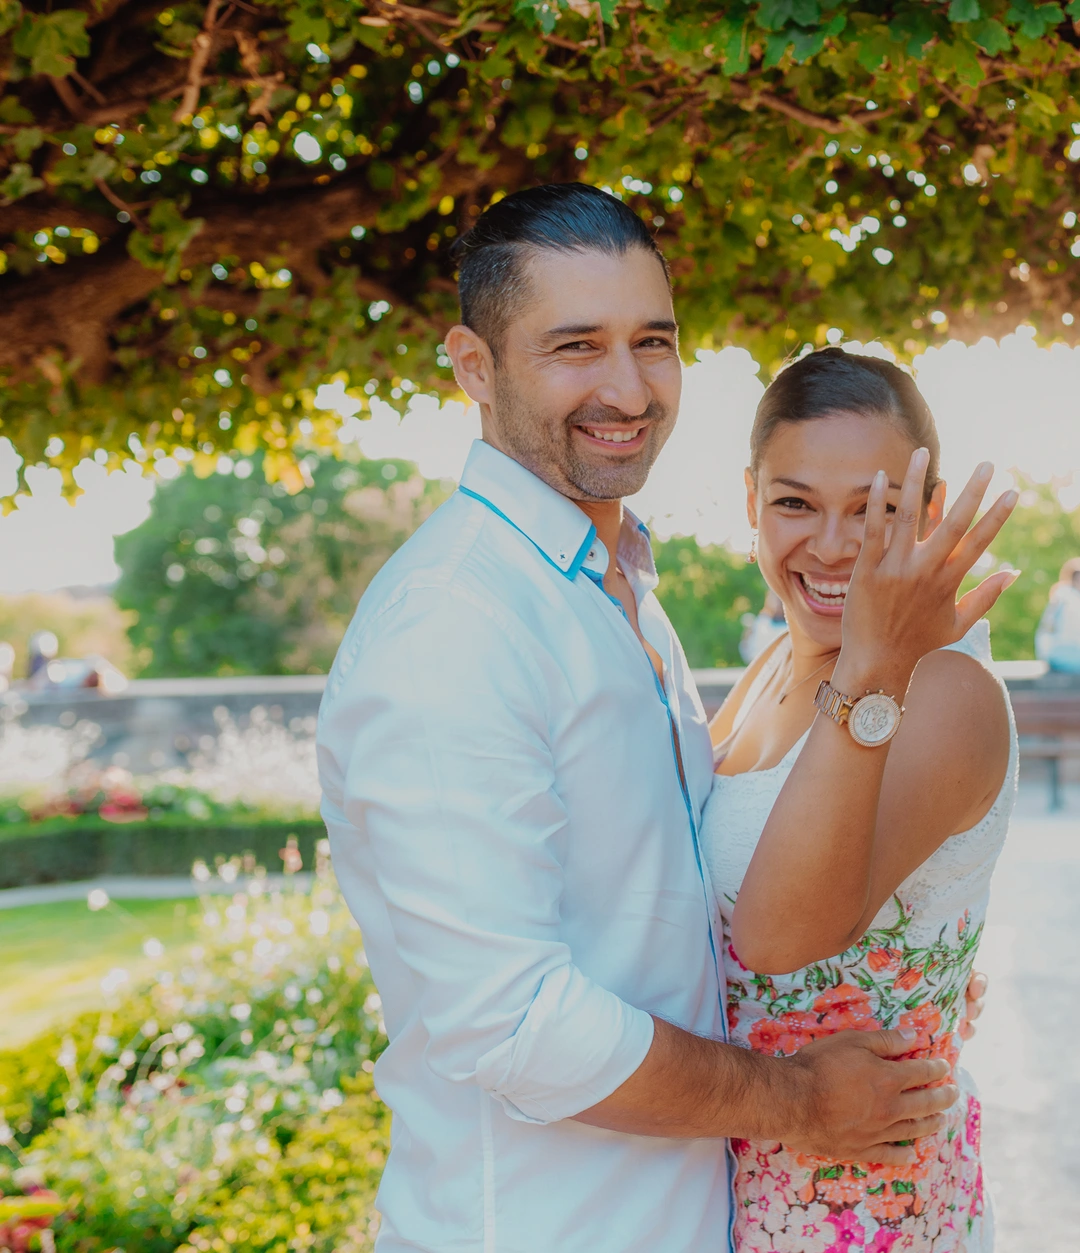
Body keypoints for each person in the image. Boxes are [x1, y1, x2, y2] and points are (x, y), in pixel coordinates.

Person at [316, 185, 994, 1252]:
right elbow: (516, 1020)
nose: (626, 388)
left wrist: (917, 962)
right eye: (575, 346)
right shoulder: (455, 624)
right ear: (473, 365)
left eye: (653, 341)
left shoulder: (617, 588)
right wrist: (799, 1098)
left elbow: (692, 884)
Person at [704, 348, 1019, 1249]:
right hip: (727, 1185)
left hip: (864, 1214)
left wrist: (874, 665)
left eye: (876, 510)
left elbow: (772, 936)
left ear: (930, 509)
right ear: (751, 500)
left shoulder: (944, 691)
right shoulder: (775, 660)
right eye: (795, 503)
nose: (835, 546)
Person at [737, 589, 788, 664]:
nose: (778, 602)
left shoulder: (794, 624)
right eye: (775, 598)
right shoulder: (761, 623)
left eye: (780, 598)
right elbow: (748, 653)